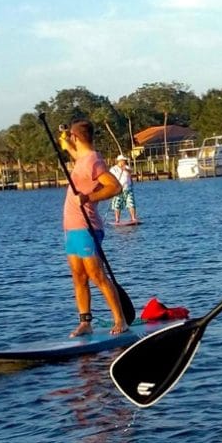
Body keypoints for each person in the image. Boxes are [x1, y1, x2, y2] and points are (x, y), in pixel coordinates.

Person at [60, 120, 127, 337]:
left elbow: (115, 187)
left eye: (71, 136)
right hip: (72, 228)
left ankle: (120, 320)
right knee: (78, 277)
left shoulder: (94, 161)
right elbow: (72, 151)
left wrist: (88, 197)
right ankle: (85, 322)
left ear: (76, 137)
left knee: (97, 276)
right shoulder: (82, 158)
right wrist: (65, 142)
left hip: (86, 227)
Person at [110, 154, 139, 224]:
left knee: (131, 203)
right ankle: (117, 219)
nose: (124, 162)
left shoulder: (127, 167)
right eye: (123, 161)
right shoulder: (113, 169)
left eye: (124, 161)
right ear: (119, 161)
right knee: (117, 205)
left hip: (128, 188)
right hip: (118, 190)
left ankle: (133, 218)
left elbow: (130, 172)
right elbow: (111, 178)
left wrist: (125, 169)